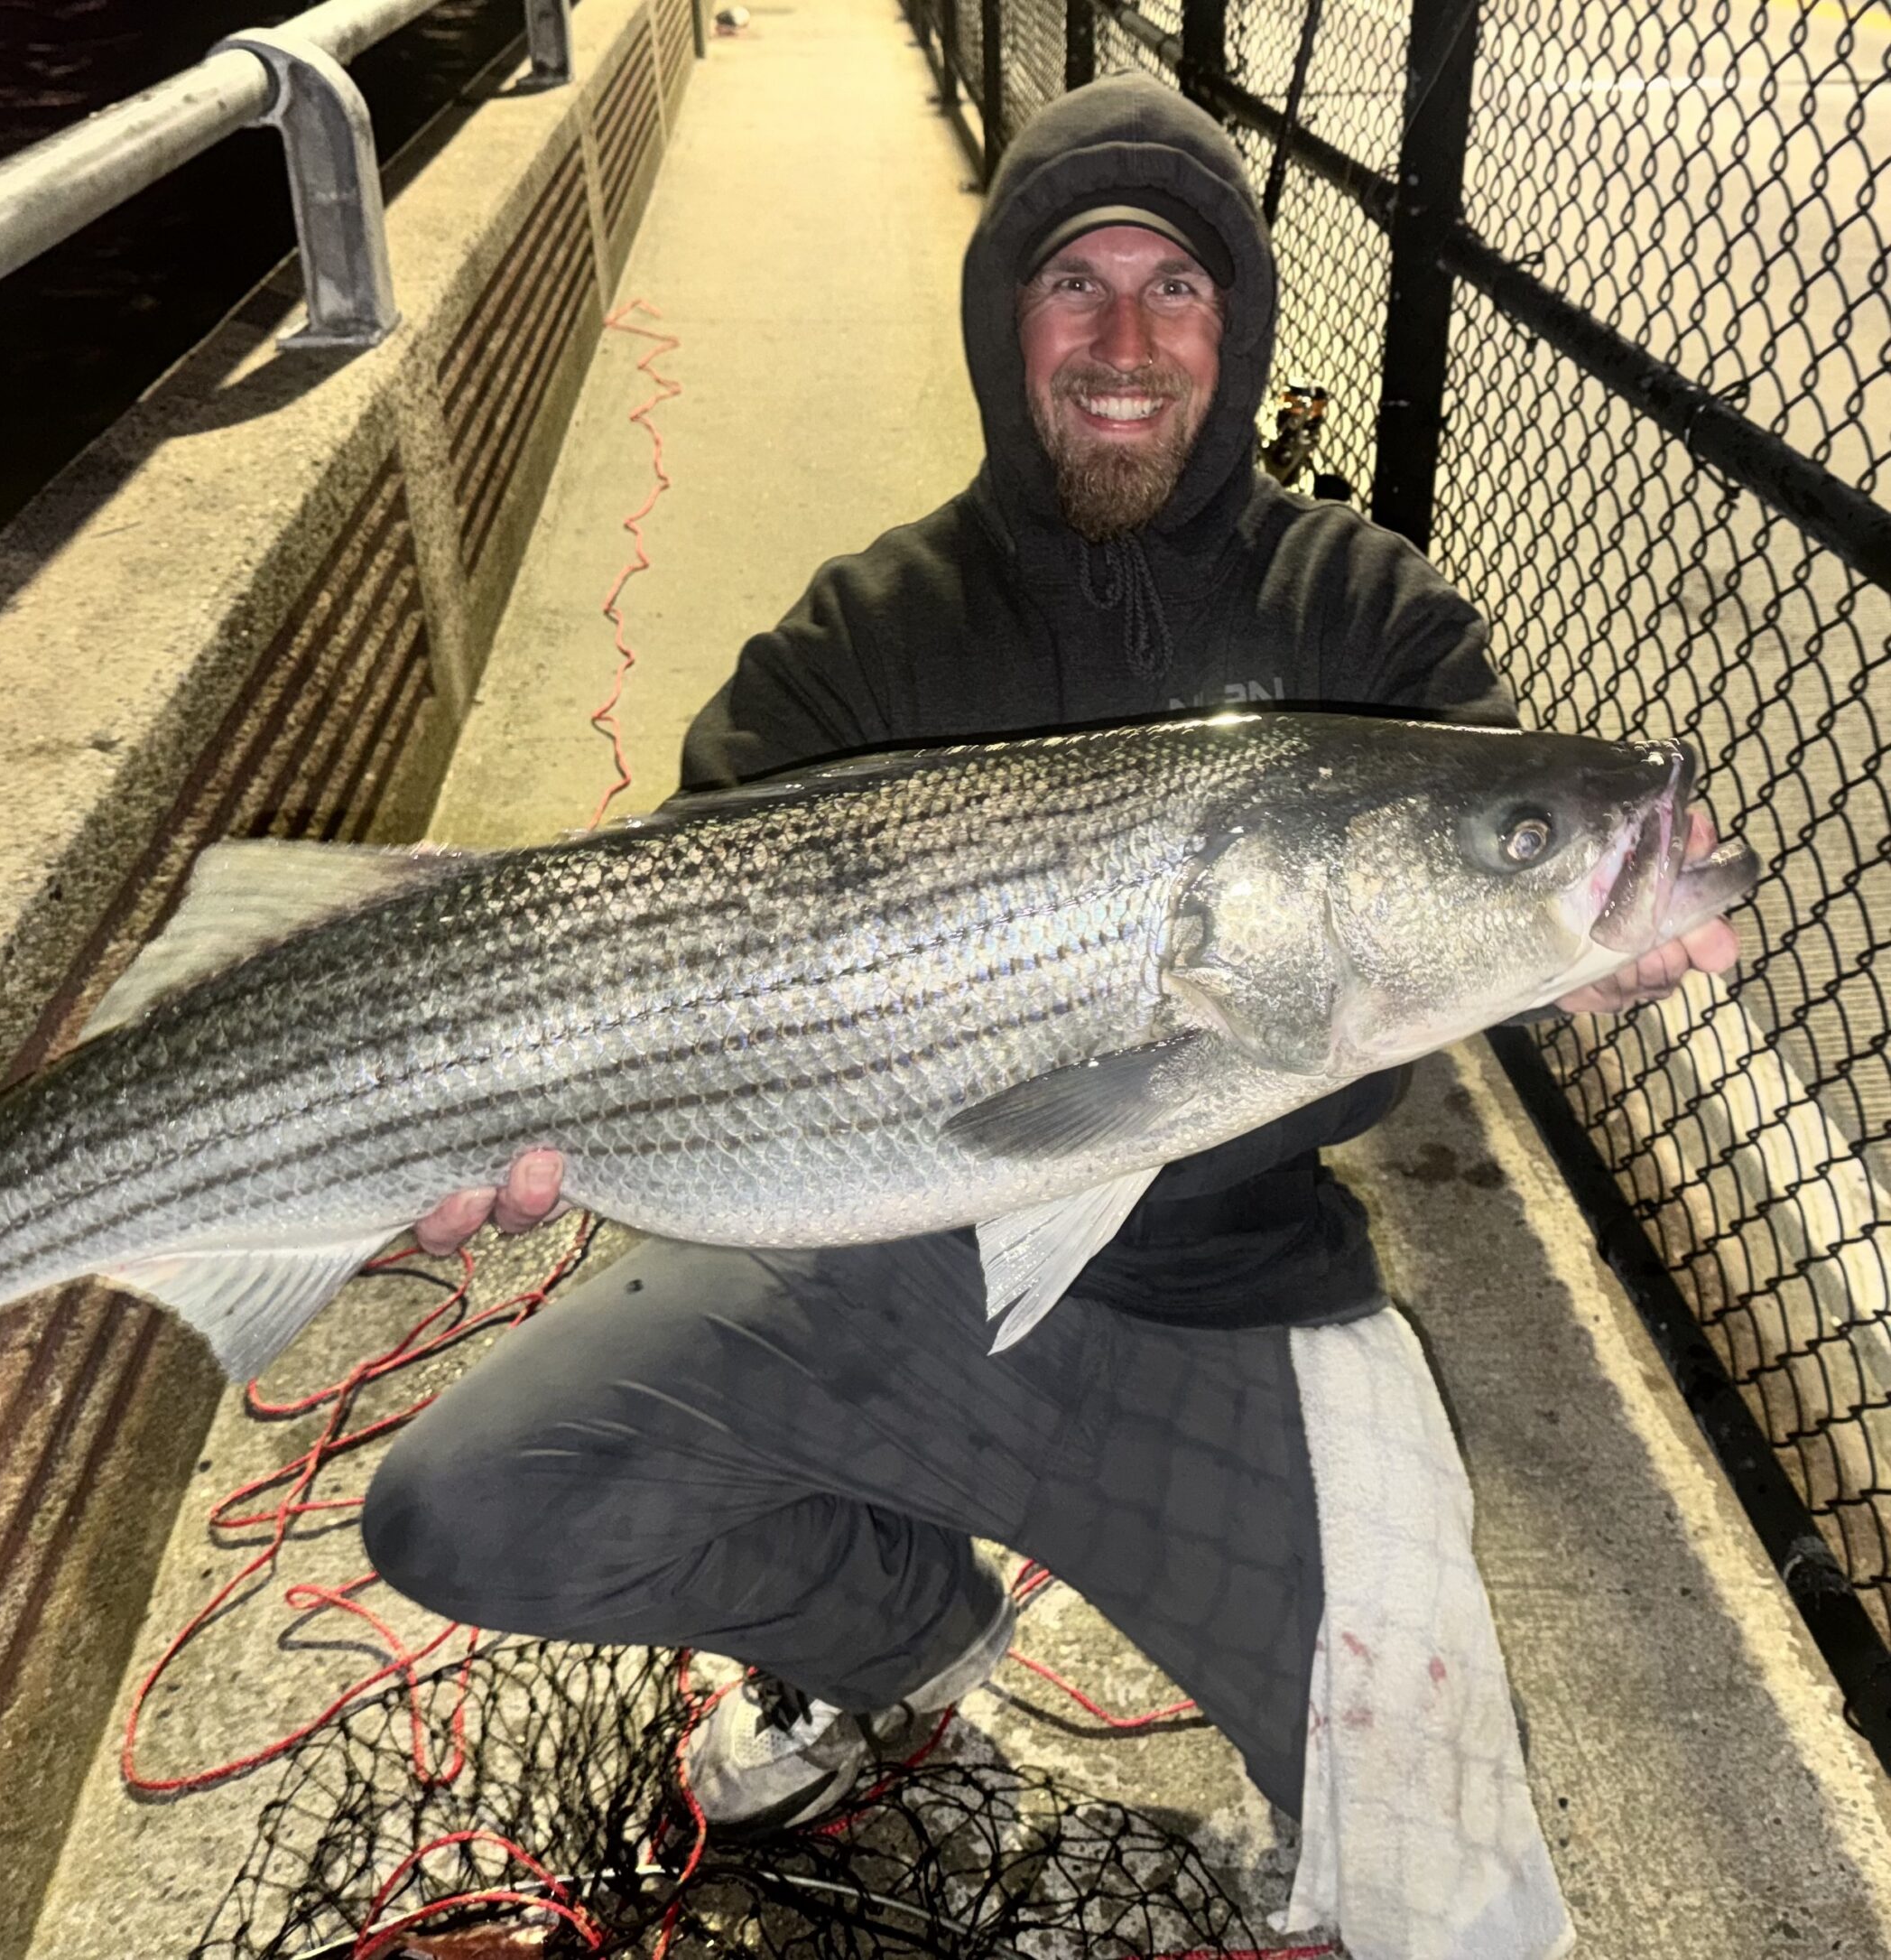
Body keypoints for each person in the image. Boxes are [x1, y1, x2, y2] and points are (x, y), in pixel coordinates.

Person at [362, 73, 1736, 1847]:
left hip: (1233, 1294)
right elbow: (669, 950)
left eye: (1177, 288)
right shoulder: (855, 639)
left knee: (1441, 1884)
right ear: (1000, 320)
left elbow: (1468, 823)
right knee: (471, 1506)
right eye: (1071, 283)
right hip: (887, 1270)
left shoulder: (1363, 614)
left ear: (1236, 328)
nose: (1124, 341)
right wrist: (475, 1122)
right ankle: (900, 1633)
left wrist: (1571, 933)